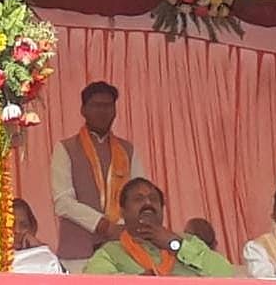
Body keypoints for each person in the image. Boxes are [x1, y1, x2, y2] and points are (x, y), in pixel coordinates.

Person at [51, 81, 145, 261]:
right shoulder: (65, 148)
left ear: (115, 111)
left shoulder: (128, 151)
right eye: (96, 105)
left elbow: (140, 198)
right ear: (83, 110)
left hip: (124, 251)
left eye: (108, 106)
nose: (102, 111)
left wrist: (121, 228)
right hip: (77, 253)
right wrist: (102, 225)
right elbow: (63, 202)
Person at [84, 178, 233, 276]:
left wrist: (176, 245)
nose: (148, 202)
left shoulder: (187, 242)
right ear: (123, 211)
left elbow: (226, 274)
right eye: (138, 199)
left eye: (154, 199)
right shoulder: (110, 253)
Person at [12, 198, 65, 274]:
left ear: (32, 228)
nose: (17, 230)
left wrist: (40, 248)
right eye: (10, 224)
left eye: (24, 225)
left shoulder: (46, 260)